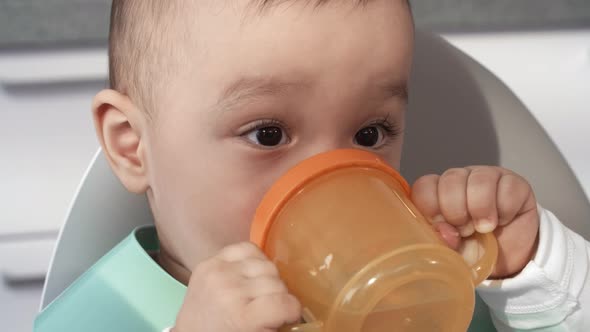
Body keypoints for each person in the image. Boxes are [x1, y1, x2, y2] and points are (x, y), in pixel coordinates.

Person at [85, 0, 589, 330]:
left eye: (370, 134)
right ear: (133, 147)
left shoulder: (422, 287)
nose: (334, 173)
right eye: (268, 134)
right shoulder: (100, 315)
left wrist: (531, 270)